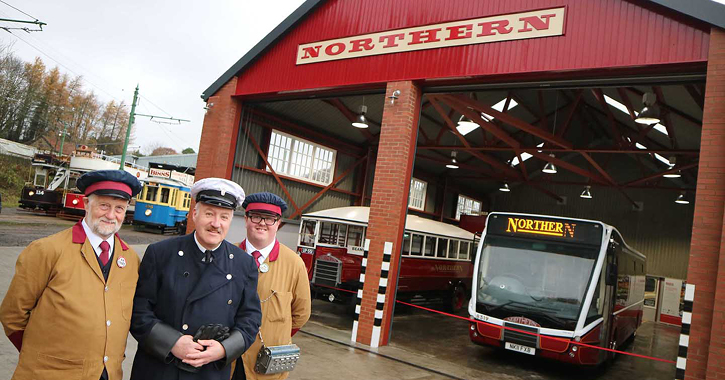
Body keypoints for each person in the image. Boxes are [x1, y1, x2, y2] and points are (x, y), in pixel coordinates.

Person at [0, 169, 143, 380]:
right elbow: (12, 316)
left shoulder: (131, 259)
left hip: (107, 374)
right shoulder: (46, 250)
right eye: (104, 205)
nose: (111, 215)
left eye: (119, 208)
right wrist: (41, 355)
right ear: (86, 204)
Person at [130, 177, 261, 380]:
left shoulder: (244, 264)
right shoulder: (161, 253)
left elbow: (250, 320)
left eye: (224, 217)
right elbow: (138, 311)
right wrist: (171, 342)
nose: (216, 224)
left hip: (209, 372)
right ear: (194, 214)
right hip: (159, 368)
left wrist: (224, 349)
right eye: (209, 214)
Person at [233, 192, 311, 380]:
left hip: (266, 365)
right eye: (256, 216)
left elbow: (301, 314)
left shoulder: (294, 264)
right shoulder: (228, 256)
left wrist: (276, 334)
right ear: (246, 220)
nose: (262, 223)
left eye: (269, 219)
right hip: (230, 358)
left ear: (278, 223)